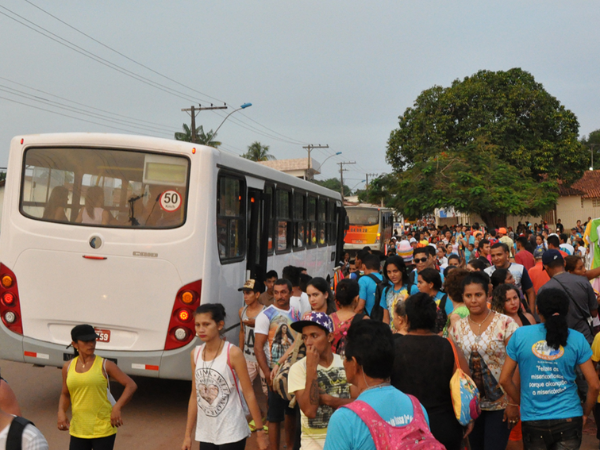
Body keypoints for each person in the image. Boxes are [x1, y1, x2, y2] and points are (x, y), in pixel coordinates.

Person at [500, 288, 600, 450]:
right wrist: (586, 413)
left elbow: (505, 379)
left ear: (538, 309)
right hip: (569, 418)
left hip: (533, 419)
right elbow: (594, 385)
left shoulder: (520, 335)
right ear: (566, 310)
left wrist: (523, 403)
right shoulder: (577, 338)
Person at [324, 320, 436, 450]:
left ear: (354, 364)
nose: (343, 363)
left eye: (345, 357)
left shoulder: (345, 419)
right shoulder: (417, 408)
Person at [391, 293, 472, 450]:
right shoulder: (449, 346)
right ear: (434, 319)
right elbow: (466, 385)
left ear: (407, 319)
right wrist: (468, 419)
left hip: (405, 426)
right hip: (444, 426)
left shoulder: (393, 348)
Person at [448, 272, 519, 450]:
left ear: (488, 295)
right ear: (462, 297)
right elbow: (454, 365)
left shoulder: (506, 324)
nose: (473, 300)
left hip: (501, 403)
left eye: (478, 295)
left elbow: (517, 364)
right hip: (470, 406)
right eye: (468, 296)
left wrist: (513, 401)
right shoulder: (456, 328)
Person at [182, 304, 268, 450]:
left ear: (220, 325)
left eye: (206, 324)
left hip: (232, 430)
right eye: (197, 325)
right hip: (207, 432)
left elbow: (249, 393)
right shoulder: (195, 354)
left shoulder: (232, 353)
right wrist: (187, 435)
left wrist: (260, 433)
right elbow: (194, 395)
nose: (201, 329)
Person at [58, 324, 137, 450]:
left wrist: (117, 407)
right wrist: (61, 412)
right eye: (86, 341)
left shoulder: (105, 365)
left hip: (103, 429)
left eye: (93, 340)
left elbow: (131, 385)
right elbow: (65, 393)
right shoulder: (68, 367)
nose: (91, 344)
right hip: (79, 429)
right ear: (75, 344)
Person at [288, 313, 354, 450]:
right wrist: (311, 367)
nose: (308, 342)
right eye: (305, 337)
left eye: (314, 336)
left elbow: (360, 403)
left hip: (345, 443)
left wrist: (329, 400)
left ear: (330, 337)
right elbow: (310, 411)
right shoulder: (298, 369)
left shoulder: (345, 364)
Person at [254, 279, 301, 450]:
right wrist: (267, 373)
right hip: (274, 373)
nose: (280, 296)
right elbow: (258, 348)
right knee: (274, 416)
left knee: (291, 412)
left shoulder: (296, 313)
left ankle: (289, 446)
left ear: (290, 293)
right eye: (276, 292)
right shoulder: (265, 316)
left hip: (294, 372)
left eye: (283, 292)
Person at [538, 249, 598, 345]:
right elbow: (594, 313)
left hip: (560, 342)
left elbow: (543, 320)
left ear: (546, 267)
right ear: (564, 262)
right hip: (584, 339)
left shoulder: (543, 290)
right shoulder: (584, 282)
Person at [237, 279, 267, 430]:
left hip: (263, 358)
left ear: (257, 294)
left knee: (268, 391)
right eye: (244, 293)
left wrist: (257, 324)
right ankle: (259, 414)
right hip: (248, 357)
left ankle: (269, 420)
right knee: (241, 389)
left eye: (248, 293)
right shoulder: (242, 311)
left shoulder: (266, 312)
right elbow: (242, 332)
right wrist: (240, 352)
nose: (245, 296)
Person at [485, 243, 535, 315]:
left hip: (520, 311)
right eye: (493, 256)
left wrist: (531, 312)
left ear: (507, 254)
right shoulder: (487, 272)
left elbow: (530, 292)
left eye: (499, 255)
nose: (496, 258)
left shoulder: (519, 269)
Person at [330, 279, 368, 354]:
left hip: (332, 363)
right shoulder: (363, 320)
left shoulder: (328, 318)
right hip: (352, 364)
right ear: (357, 299)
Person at [381, 256, 409, 330]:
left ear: (402, 270)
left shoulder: (412, 289)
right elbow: (386, 319)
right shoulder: (386, 291)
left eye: (395, 271)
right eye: (389, 272)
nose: (392, 275)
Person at [356, 253, 386, 319]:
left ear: (363, 266)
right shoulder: (385, 280)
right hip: (383, 321)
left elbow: (360, 307)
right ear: (380, 267)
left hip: (369, 321)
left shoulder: (363, 280)